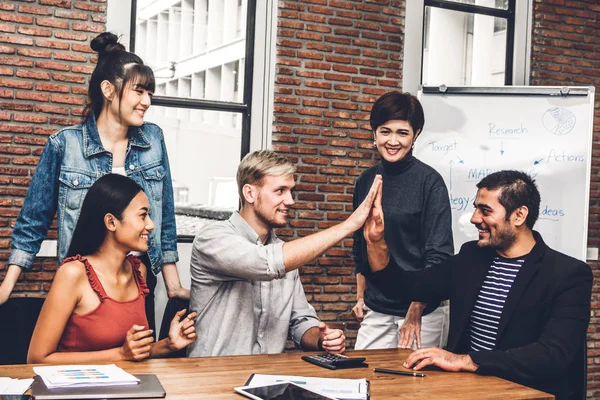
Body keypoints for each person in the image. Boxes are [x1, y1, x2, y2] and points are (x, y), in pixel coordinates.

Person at [0, 32, 188, 333]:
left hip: (137, 279)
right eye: (139, 92)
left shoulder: (153, 139)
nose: (147, 101)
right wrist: (7, 286)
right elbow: (33, 220)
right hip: (84, 280)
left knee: (138, 364)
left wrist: (173, 285)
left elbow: (163, 216)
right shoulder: (65, 145)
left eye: (149, 93)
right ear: (108, 90)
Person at [364, 170, 592, 399]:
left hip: (527, 394)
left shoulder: (568, 274)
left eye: (485, 210)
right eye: (476, 208)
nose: (474, 218)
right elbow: (405, 287)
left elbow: (553, 355)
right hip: (468, 391)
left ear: (519, 215)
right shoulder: (471, 256)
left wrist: (466, 360)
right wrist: (376, 243)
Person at [187, 150, 382, 357]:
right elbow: (264, 263)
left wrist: (322, 339)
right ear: (250, 193)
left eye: (291, 191)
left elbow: (301, 321)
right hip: (212, 375)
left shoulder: (286, 255)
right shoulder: (212, 238)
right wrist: (349, 225)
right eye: (280, 191)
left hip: (265, 380)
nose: (290, 201)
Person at [27, 174, 196, 363]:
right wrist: (120, 354)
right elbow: (37, 359)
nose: (151, 224)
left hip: (127, 389)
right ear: (111, 222)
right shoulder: (73, 273)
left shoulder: (138, 271)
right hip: (77, 391)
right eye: (142, 215)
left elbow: (135, 353)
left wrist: (168, 344)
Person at [352, 91, 453, 350]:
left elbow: (438, 256)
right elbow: (360, 246)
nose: (393, 141)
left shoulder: (430, 182)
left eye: (402, 132)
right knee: (364, 381)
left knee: (413, 388)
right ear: (374, 133)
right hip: (378, 306)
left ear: (415, 134)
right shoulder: (366, 180)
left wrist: (416, 308)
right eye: (385, 131)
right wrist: (361, 295)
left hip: (423, 309)